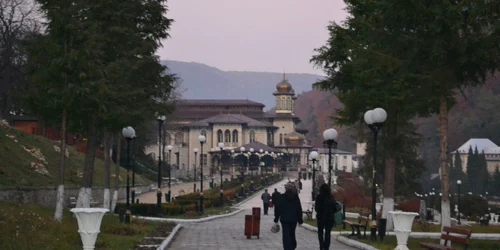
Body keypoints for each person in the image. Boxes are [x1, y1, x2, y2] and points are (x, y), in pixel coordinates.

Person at [274, 183, 303, 250]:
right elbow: (298, 208)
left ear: (285, 189)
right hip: (293, 219)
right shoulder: (295, 197)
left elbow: (278, 208)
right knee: (292, 232)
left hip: (284, 219)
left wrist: (276, 218)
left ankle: (287, 247)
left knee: (285, 234)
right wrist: (300, 219)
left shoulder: (282, 197)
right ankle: (293, 245)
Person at [315, 184, 338, 250]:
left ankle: (321, 246)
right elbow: (335, 208)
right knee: (328, 233)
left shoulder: (319, 197)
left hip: (320, 217)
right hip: (330, 218)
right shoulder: (331, 197)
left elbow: (316, 208)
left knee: (320, 232)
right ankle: (327, 247)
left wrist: (320, 212)